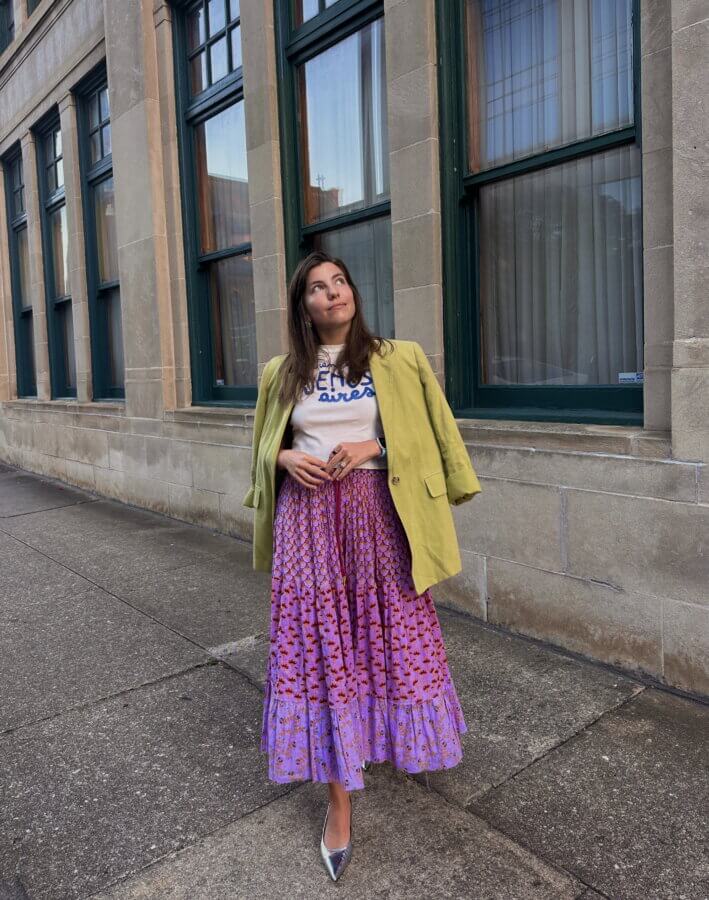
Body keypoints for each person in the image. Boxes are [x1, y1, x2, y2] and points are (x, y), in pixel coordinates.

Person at [242, 250, 481, 881]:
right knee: (320, 653)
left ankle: (375, 744)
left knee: (388, 642)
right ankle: (339, 802)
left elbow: (435, 431)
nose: (332, 294)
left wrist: (372, 443)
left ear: (353, 290)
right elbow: (262, 446)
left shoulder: (397, 359)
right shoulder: (280, 372)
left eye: (340, 281)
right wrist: (285, 459)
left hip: (378, 515)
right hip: (309, 524)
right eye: (317, 288)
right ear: (303, 306)